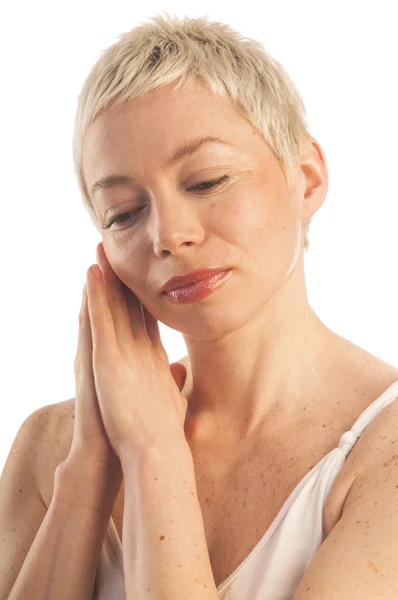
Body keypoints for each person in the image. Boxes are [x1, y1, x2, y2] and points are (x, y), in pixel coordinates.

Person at [1, 11, 398, 600]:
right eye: (124, 213)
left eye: (207, 180)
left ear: (308, 179)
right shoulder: (51, 445)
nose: (169, 234)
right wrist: (88, 471)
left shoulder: (383, 456)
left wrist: (154, 450)